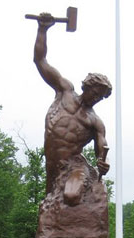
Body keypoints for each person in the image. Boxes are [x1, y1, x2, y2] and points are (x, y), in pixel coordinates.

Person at [33, 13, 112, 196]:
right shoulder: (64, 90)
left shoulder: (94, 122)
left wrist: (102, 162)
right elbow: (40, 61)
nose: (97, 98)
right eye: (95, 93)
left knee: (71, 195)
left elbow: (102, 147)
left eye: (101, 97)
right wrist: (43, 30)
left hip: (74, 165)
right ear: (87, 86)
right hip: (53, 162)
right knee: (50, 201)